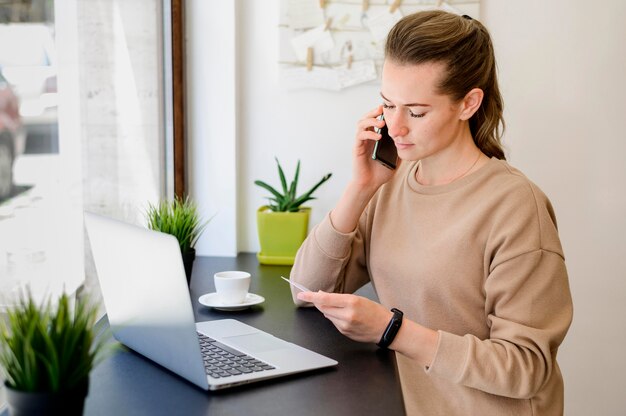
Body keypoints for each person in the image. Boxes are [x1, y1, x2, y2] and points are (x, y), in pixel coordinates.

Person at [290, 10, 573, 416]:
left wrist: (393, 330)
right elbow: (305, 289)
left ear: (468, 103)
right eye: (387, 105)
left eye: (416, 112)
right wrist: (360, 188)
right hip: (403, 403)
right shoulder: (389, 182)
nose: (396, 127)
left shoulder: (515, 206)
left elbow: (526, 368)